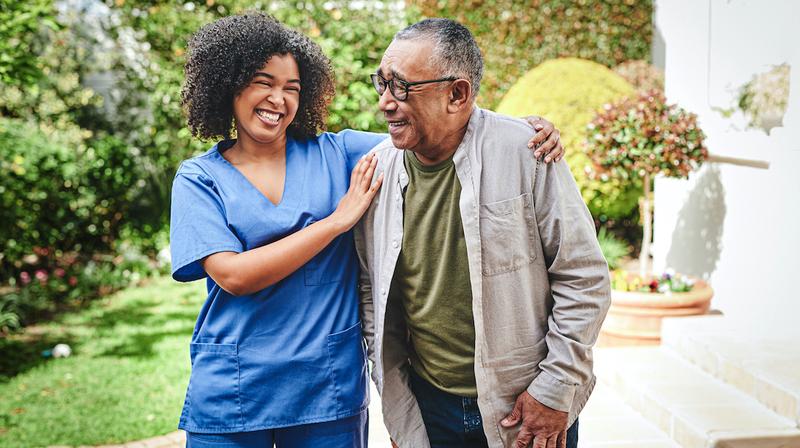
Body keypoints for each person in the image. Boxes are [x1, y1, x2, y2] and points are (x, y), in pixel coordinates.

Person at [170, 12, 564, 448]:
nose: (278, 99)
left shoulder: (340, 153)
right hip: (233, 394)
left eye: (292, 89)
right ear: (230, 84)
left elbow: (434, 124)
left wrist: (524, 128)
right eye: (264, 83)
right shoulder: (199, 178)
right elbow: (234, 276)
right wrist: (337, 221)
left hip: (326, 393)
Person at [355, 19, 611, 448]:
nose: (385, 103)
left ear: (458, 94)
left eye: (401, 88)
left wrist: (554, 389)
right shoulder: (376, 170)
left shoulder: (526, 152)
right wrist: (401, 413)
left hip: (525, 407)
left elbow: (584, 278)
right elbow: (372, 291)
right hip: (428, 408)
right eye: (381, 83)